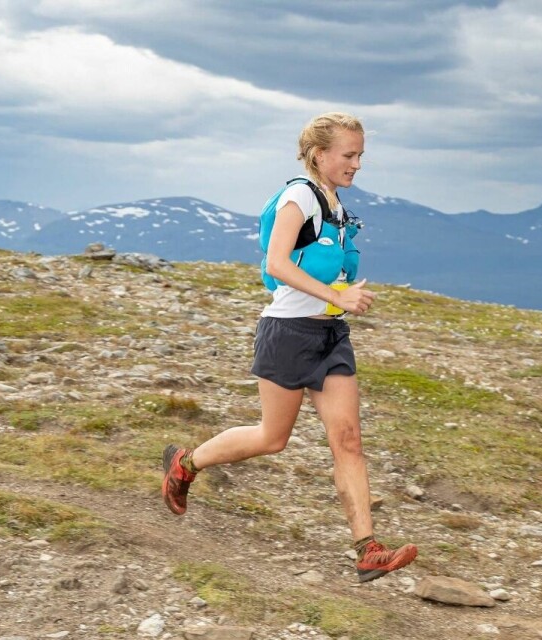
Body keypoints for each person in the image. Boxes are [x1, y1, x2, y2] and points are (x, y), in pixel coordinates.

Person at [161, 112, 417, 583]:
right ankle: (185, 464)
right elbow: (277, 263)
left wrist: (340, 299)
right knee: (271, 438)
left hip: (331, 336)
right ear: (320, 154)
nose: (357, 164)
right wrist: (339, 295)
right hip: (288, 334)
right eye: (349, 154)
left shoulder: (338, 206)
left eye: (361, 155)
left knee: (348, 440)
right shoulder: (300, 196)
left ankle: (368, 549)